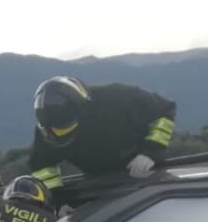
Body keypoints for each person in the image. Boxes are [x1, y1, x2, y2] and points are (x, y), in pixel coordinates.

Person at [28, 76, 177, 196]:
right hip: (99, 185)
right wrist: (58, 199)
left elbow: (165, 109)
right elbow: (42, 167)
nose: (59, 134)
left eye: (65, 129)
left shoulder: (118, 98)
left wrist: (151, 152)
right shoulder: (48, 129)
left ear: (82, 112)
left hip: (146, 175)